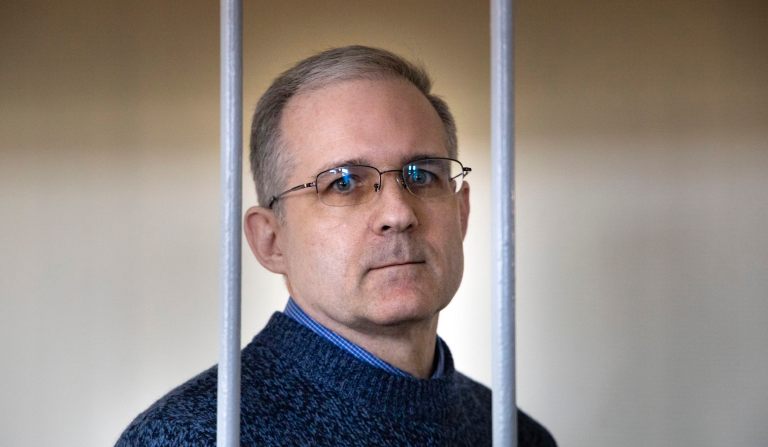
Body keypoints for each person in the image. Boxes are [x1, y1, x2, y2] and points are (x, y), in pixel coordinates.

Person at [116, 45, 556, 446]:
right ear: (271, 241)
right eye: (343, 183)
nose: (398, 213)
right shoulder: (195, 436)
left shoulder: (515, 435)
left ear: (460, 213)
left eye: (422, 174)